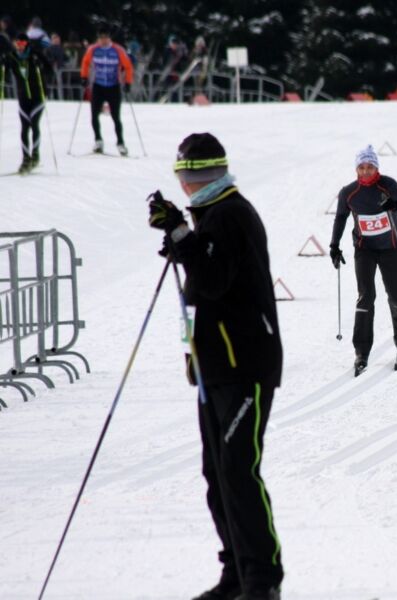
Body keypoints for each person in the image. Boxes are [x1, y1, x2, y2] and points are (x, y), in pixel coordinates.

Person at [147, 133, 284, 600]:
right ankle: (236, 574)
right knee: (218, 473)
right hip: (216, 365)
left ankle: (262, 580)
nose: (184, 186)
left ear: (195, 177)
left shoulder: (229, 213)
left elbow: (214, 278)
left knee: (239, 471)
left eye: (185, 177)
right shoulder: (212, 213)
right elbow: (204, 274)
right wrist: (180, 238)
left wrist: (183, 239)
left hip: (246, 363)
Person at [329, 145, 397, 376]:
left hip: (390, 248)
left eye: (370, 167)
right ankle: (361, 352)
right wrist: (334, 246)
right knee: (366, 297)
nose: (366, 172)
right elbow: (340, 218)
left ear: (377, 167)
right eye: (362, 167)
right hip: (364, 249)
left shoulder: (388, 185)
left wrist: (394, 205)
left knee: (395, 295)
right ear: (356, 169)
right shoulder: (349, 192)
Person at [2, 34, 52, 173]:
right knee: (24, 127)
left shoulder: (35, 54)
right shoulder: (12, 56)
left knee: (33, 123)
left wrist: (41, 66)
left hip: (38, 96)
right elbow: (5, 75)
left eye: (22, 42)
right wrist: (3, 65)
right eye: (17, 42)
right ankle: (26, 158)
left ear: (27, 43)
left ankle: (35, 155)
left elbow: (50, 70)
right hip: (23, 97)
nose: (20, 45)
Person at [80, 24, 133, 155]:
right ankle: (98, 140)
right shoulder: (93, 49)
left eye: (105, 37)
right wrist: (84, 77)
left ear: (109, 38)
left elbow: (128, 66)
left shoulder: (117, 50)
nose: (103, 40)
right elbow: (85, 62)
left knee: (116, 117)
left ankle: (120, 143)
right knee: (94, 115)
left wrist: (128, 82)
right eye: (101, 37)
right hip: (98, 86)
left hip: (113, 87)